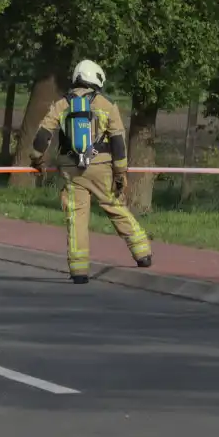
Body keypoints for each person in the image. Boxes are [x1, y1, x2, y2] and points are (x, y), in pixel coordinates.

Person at [28, 59, 152, 284]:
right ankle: (142, 253)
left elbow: (41, 137)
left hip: (71, 170)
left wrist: (37, 161)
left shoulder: (61, 104)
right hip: (101, 167)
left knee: (76, 216)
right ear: (97, 79)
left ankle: (79, 270)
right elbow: (118, 143)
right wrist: (120, 173)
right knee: (114, 207)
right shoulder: (106, 104)